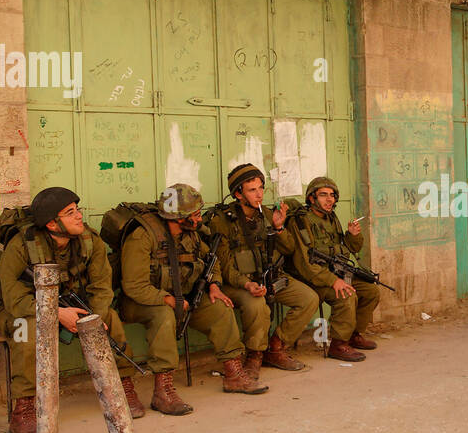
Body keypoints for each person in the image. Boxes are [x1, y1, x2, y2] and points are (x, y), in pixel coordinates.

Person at [0, 186, 142, 433]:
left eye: (78, 209)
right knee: (26, 330)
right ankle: (24, 406)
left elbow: (102, 286)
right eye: (70, 212)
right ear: (52, 223)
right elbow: (14, 300)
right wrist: (56, 314)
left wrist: (92, 317)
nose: (79, 216)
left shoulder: (90, 240)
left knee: (109, 319)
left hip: (75, 305)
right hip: (26, 310)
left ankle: (120, 388)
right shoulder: (21, 245)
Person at [118, 183, 264, 415]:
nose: (199, 217)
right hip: (141, 302)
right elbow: (134, 286)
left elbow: (211, 261)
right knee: (164, 315)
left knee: (220, 308)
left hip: (184, 296)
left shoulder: (193, 234)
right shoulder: (142, 237)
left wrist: (214, 285)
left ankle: (234, 373)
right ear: (178, 217)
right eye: (194, 214)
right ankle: (162, 391)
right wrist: (165, 299)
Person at [207, 164, 320, 376]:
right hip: (238, 283)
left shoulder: (266, 214)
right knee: (257, 304)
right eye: (252, 190)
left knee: (309, 298)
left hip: (270, 277)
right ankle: (255, 355)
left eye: (261, 188)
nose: (259, 194)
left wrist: (279, 227)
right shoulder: (222, 221)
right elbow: (224, 266)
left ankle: (276, 347)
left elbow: (288, 249)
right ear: (238, 193)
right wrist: (247, 284)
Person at [286, 176, 380, 362]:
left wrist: (352, 236)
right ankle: (338, 345)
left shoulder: (331, 218)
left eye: (332, 196)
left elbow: (346, 249)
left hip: (335, 272)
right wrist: (332, 281)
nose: (330, 200)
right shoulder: (302, 221)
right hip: (312, 277)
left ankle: (352, 334)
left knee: (370, 290)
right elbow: (305, 263)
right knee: (346, 294)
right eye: (323, 195)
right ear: (312, 198)